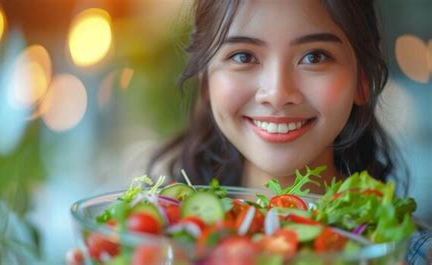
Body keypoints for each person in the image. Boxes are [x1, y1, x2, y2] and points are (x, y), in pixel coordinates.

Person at [67, 0, 431, 264]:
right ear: (207, 81)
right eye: (243, 56)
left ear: (362, 80)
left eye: (315, 56)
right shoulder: (146, 241)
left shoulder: (407, 253)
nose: (276, 93)